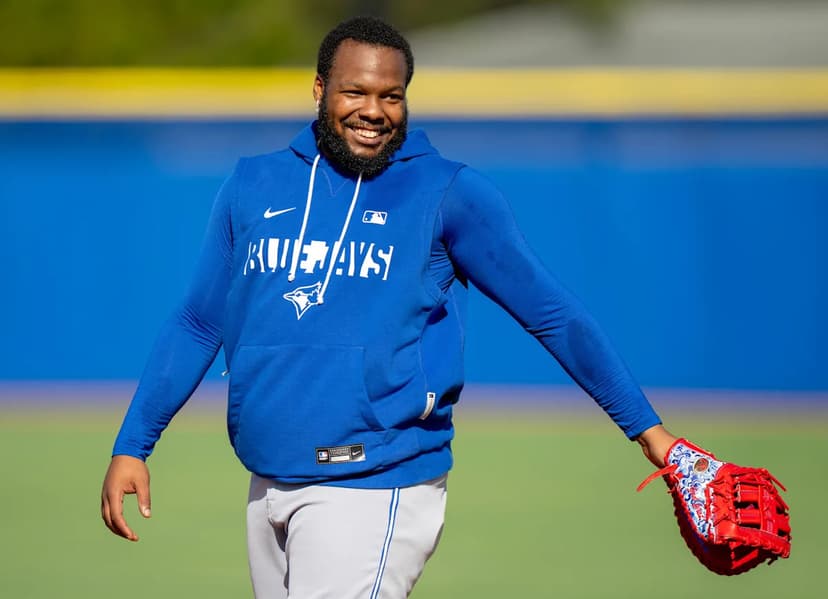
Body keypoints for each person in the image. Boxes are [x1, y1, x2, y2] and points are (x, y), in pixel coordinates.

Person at [101, 15, 677, 599]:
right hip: (268, 479)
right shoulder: (255, 183)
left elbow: (553, 314)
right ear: (320, 89)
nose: (373, 111)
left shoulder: (446, 193)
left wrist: (651, 436)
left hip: (375, 484)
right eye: (356, 91)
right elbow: (199, 322)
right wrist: (133, 443)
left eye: (391, 96)